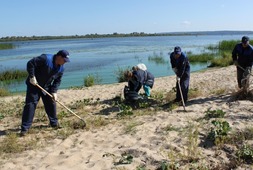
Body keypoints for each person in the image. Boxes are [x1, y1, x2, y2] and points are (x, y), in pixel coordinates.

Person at [20, 50, 70, 136]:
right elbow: (30, 63)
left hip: (46, 87)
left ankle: (54, 123)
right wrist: (32, 76)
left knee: (51, 103)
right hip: (34, 85)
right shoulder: (45, 58)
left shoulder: (61, 68)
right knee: (31, 105)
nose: (65, 62)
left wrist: (54, 92)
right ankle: (25, 128)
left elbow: (57, 81)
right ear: (59, 57)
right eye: (64, 60)